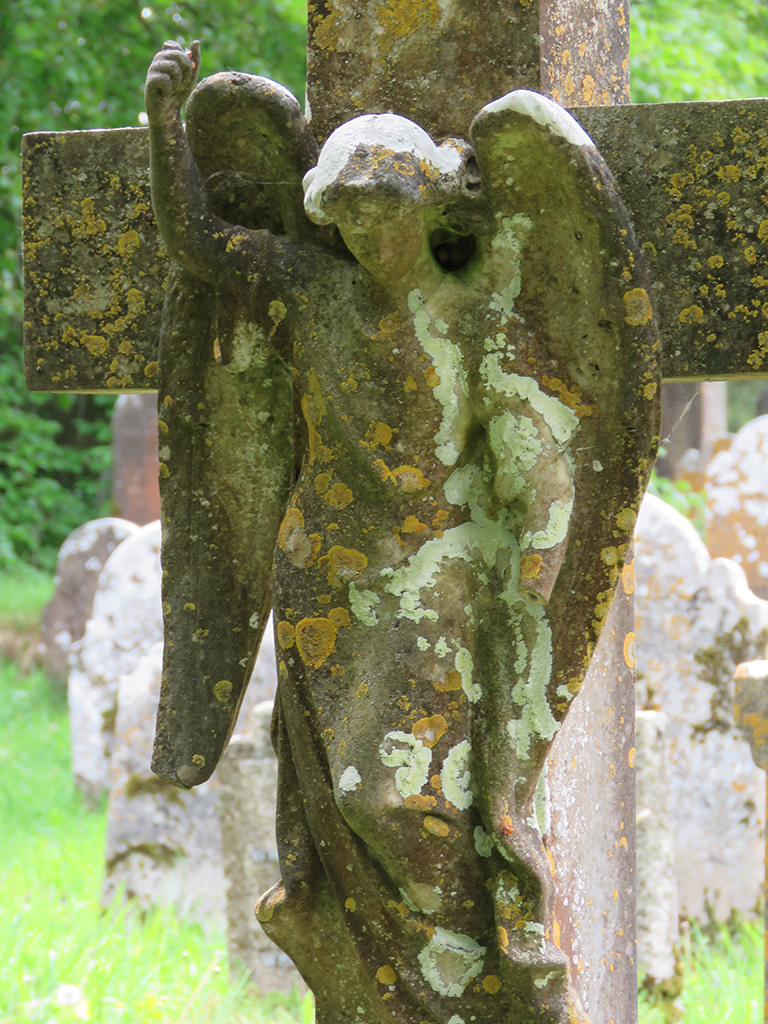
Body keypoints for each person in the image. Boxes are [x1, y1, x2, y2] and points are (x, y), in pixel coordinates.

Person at [146, 39, 659, 1024]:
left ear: (430, 203)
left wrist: (525, 583)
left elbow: (546, 465)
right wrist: (167, 128)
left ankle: (487, 982)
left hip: (442, 584)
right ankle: (375, 979)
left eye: (387, 210)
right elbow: (199, 248)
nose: (372, 234)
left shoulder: (472, 315)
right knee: (343, 802)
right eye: (350, 215)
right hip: (326, 574)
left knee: (404, 799)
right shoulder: (306, 289)